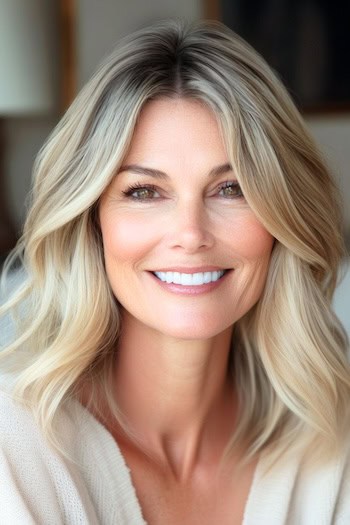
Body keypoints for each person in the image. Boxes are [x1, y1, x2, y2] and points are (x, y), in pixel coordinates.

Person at [0, 18, 349, 525]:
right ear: (92, 222)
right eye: (144, 192)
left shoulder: (330, 434)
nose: (191, 233)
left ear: (281, 217)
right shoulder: (15, 447)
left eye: (232, 189)